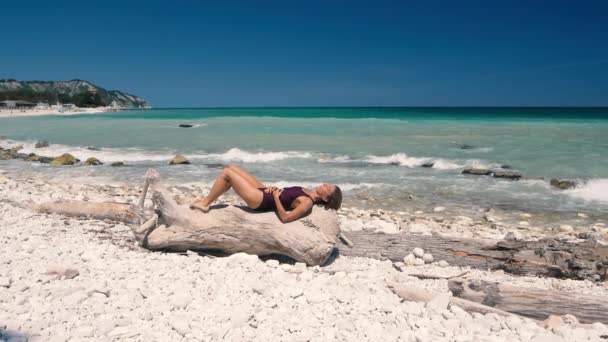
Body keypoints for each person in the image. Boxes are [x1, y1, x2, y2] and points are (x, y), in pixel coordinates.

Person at [190, 165, 342, 223]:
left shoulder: (307, 202)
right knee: (231, 167)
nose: (325, 184)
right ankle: (208, 198)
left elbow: (285, 218)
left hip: (260, 201)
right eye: (327, 184)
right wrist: (274, 190)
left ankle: (206, 203)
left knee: (227, 174)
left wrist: (276, 197)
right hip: (265, 191)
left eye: (327, 187)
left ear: (325, 197)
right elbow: (287, 195)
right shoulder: (308, 192)